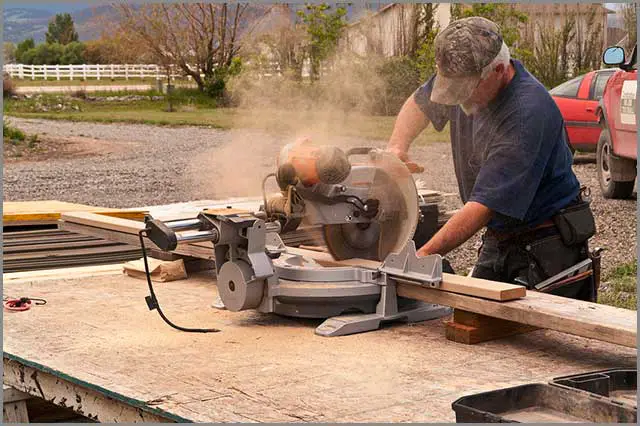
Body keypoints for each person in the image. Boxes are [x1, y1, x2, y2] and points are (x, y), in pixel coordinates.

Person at [386, 16, 597, 300]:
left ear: (498, 70)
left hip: (548, 244)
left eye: (465, 92)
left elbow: (482, 206)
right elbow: (420, 104)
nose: (459, 99)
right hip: (500, 236)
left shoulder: (527, 113)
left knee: (539, 338)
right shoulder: (466, 72)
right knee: (472, 314)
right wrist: (396, 149)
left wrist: (417, 258)